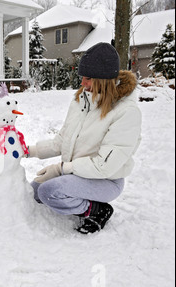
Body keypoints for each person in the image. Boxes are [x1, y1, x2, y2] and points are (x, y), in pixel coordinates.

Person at [27, 42, 142, 234]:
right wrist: (27, 150)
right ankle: (73, 192)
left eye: (88, 79)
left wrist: (60, 169)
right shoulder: (82, 100)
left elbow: (104, 166)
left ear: (103, 79)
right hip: (76, 172)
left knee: (50, 192)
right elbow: (62, 140)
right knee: (34, 192)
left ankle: (97, 210)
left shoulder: (126, 112)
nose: (82, 84)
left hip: (106, 180)